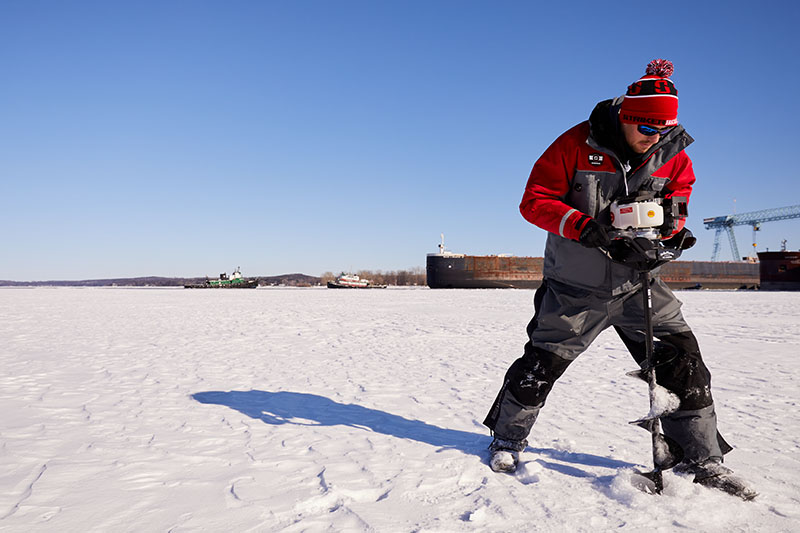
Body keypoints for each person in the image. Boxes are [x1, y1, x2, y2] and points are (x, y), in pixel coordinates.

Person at [483, 59, 748, 493]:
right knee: (542, 364)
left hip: (641, 282)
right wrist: (588, 229)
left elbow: (679, 197)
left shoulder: (673, 152)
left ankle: (702, 460)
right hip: (576, 286)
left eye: (663, 131)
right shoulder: (574, 143)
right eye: (647, 130)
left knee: (683, 363)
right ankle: (507, 439)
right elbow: (534, 201)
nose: (655, 139)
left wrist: (672, 229)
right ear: (626, 117)